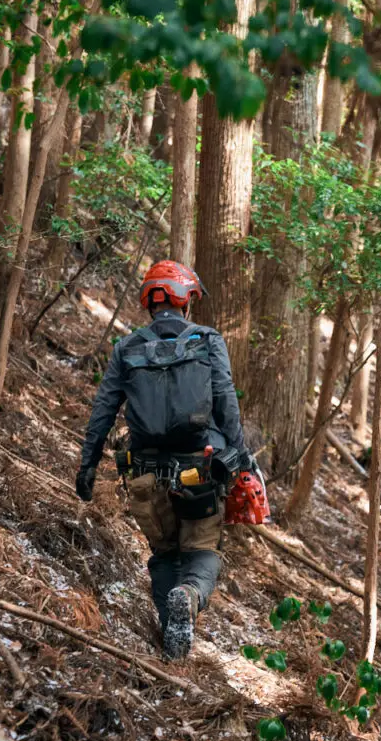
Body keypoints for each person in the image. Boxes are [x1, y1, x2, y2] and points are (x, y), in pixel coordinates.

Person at [75, 260, 254, 660]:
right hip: (200, 470)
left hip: (145, 475)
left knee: (164, 555)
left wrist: (87, 465)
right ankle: (187, 599)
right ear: (186, 300)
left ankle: (171, 645)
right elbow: (226, 404)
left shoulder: (127, 349)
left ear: (150, 303)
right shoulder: (208, 341)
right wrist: (239, 458)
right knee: (202, 550)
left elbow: (103, 410)